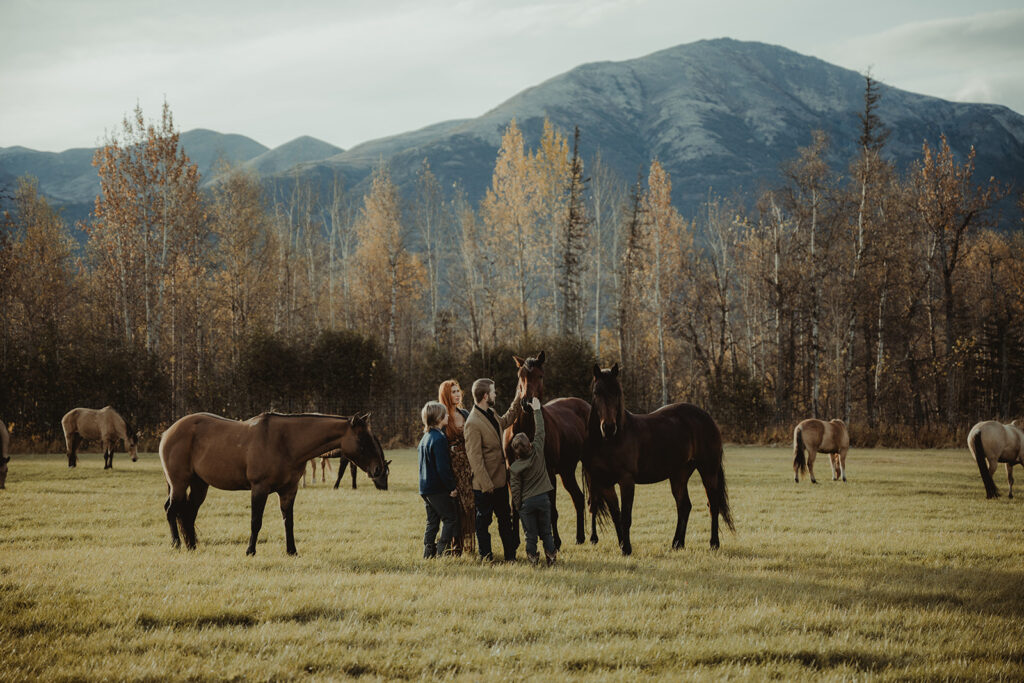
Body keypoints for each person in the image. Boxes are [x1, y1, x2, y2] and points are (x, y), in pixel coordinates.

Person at [463, 377, 523, 562]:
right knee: (483, 523)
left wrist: (518, 398)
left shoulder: (491, 413)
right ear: (485, 395)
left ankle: (510, 557)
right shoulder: (472, 423)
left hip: (500, 481)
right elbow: (475, 459)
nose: (496, 394)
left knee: (506, 520)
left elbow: (505, 421)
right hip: (485, 485)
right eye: (493, 391)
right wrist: (486, 484)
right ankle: (486, 556)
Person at [509, 398, 556, 566]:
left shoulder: (515, 467)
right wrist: (537, 410)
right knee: (547, 532)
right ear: (529, 444)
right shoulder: (537, 450)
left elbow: (515, 488)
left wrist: (517, 505)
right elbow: (540, 430)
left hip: (527, 503)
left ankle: (533, 558)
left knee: (531, 534)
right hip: (543, 499)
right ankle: (550, 556)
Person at [417, 401, 459, 559]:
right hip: (437, 488)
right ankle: (442, 551)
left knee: (432, 521)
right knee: (450, 518)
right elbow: (443, 468)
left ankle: (428, 553)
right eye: (445, 414)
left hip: (425, 488)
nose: (448, 416)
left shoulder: (424, 438)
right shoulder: (440, 438)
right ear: (439, 418)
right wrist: (451, 487)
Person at [438, 379, 474, 555]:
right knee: (455, 508)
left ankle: (468, 546)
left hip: (469, 467)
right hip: (452, 469)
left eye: (458, 390)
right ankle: (455, 546)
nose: (458, 394)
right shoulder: (441, 416)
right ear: (446, 395)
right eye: (453, 391)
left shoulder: (466, 413)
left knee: (469, 506)